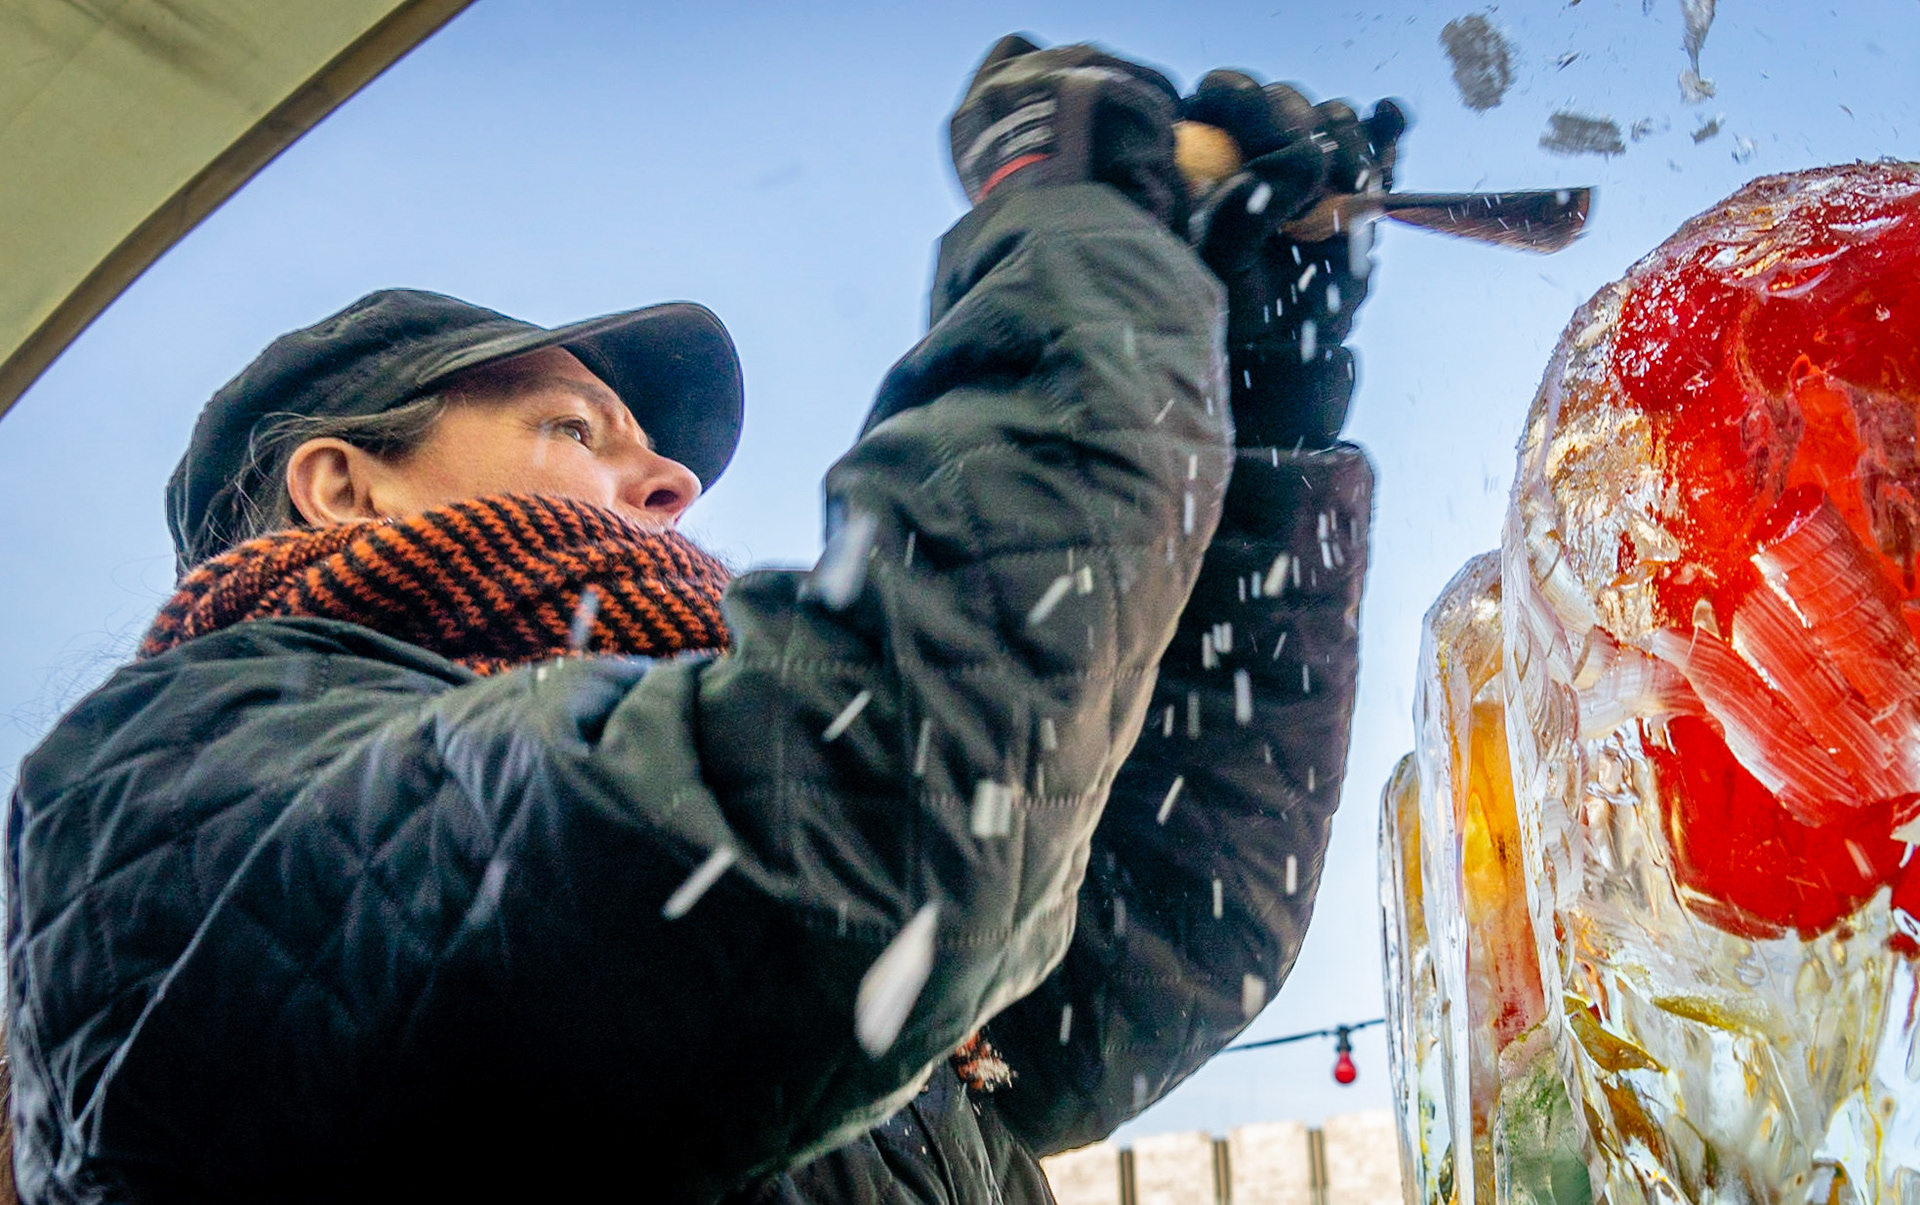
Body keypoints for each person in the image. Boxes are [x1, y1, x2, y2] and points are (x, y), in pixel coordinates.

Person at [3, 35, 1399, 1205]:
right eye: (575, 425)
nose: (671, 479)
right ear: (342, 487)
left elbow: (1153, 928)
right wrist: (1073, 234)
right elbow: (883, 825)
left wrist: (1242, 389)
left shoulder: (674, 804)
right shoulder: (159, 801)